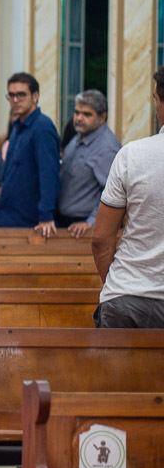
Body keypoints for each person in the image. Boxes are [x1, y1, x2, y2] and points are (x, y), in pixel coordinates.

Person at [91, 66, 164, 328]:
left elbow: (101, 238)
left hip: (128, 294)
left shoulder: (132, 154)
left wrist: (119, 285)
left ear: (160, 101)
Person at [0, 72, 61, 236]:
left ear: (35, 96)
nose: (15, 100)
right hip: (8, 217)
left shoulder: (42, 127)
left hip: (30, 222)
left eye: (21, 95)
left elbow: (49, 173)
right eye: (11, 95)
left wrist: (46, 215)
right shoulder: (18, 126)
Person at [56, 90, 120, 238]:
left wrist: (91, 221)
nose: (79, 118)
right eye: (77, 112)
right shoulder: (78, 137)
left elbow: (113, 192)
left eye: (86, 114)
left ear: (102, 117)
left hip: (84, 228)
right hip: (65, 222)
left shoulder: (107, 148)